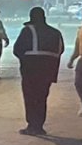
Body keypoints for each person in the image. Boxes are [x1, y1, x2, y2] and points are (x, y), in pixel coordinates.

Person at [13, 7, 65, 135]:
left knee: (30, 97)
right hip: (49, 70)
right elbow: (61, 49)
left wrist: (25, 60)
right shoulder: (55, 32)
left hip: (31, 69)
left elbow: (17, 49)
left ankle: (32, 125)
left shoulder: (28, 31)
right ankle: (39, 125)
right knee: (42, 97)